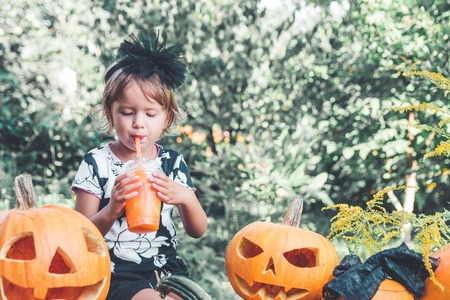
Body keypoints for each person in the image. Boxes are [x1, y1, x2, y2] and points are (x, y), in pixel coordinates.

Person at [71, 30, 208, 300]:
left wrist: (185, 199)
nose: (138, 123)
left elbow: (198, 230)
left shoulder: (171, 163)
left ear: (167, 117)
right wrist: (111, 210)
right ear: (110, 112)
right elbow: (81, 236)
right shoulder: (97, 163)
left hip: (167, 270)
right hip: (114, 271)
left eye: (150, 113)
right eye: (127, 112)